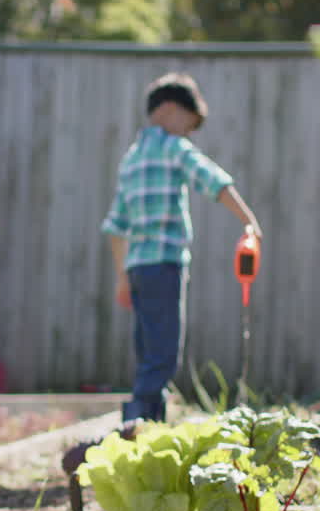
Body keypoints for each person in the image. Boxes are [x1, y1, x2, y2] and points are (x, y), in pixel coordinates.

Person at [102, 72, 264, 423]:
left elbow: (116, 226)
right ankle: (137, 420)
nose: (188, 134)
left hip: (137, 269)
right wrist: (249, 220)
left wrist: (122, 278)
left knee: (148, 351)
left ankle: (150, 423)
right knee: (163, 354)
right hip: (164, 265)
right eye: (188, 124)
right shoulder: (174, 149)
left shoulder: (131, 159)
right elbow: (213, 180)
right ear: (170, 110)